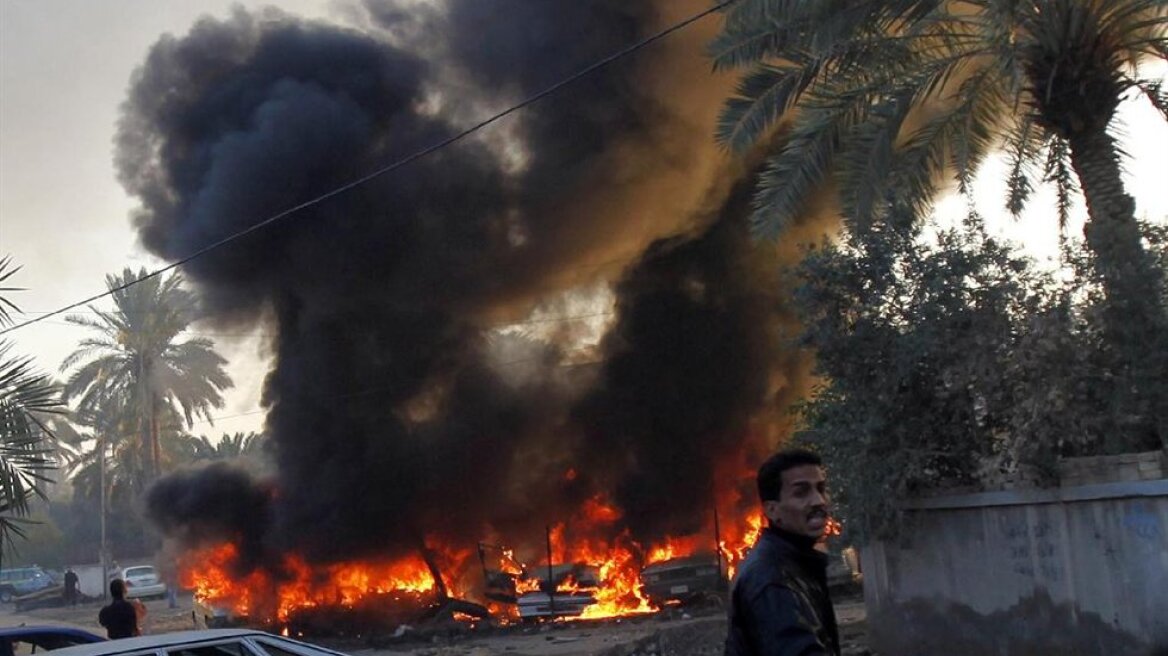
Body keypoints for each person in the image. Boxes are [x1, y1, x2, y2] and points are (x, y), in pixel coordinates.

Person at [725, 448, 841, 656]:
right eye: (801, 492)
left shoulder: (793, 564)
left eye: (821, 489)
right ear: (772, 510)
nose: (818, 501)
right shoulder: (771, 580)